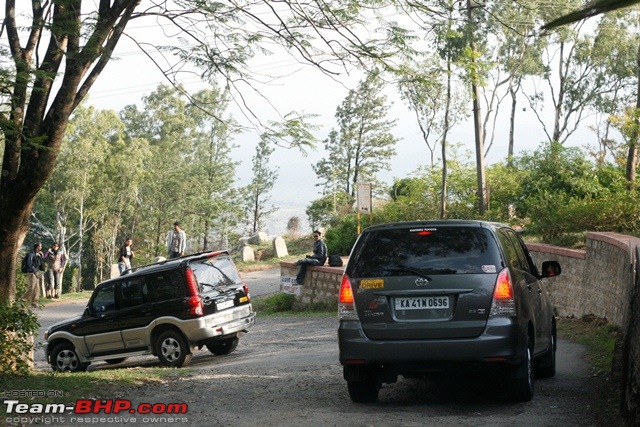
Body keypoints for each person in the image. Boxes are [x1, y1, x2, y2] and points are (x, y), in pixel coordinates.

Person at [21, 242, 44, 308]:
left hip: (36, 272)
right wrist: (34, 272)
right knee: (31, 287)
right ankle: (22, 301)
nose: (41, 247)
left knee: (37, 288)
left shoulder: (38, 254)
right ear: (37, 247)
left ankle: (34, 302)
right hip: (31, 272)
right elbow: (29, 264)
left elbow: (41, 265)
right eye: (40, 246)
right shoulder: (31, 253)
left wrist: (41, 256)